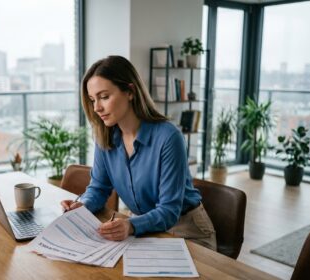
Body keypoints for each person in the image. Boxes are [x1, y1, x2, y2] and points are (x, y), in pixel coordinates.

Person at [60, 55, 216, 250]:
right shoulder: (105, 137)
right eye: (92, 100)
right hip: (143, 227)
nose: (97, 107)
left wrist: (132, 225)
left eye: (104, 97)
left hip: (187, 230)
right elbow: (99, 188)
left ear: (130, 92)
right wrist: (83, 205)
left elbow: (169, 210)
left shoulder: (169, 137)